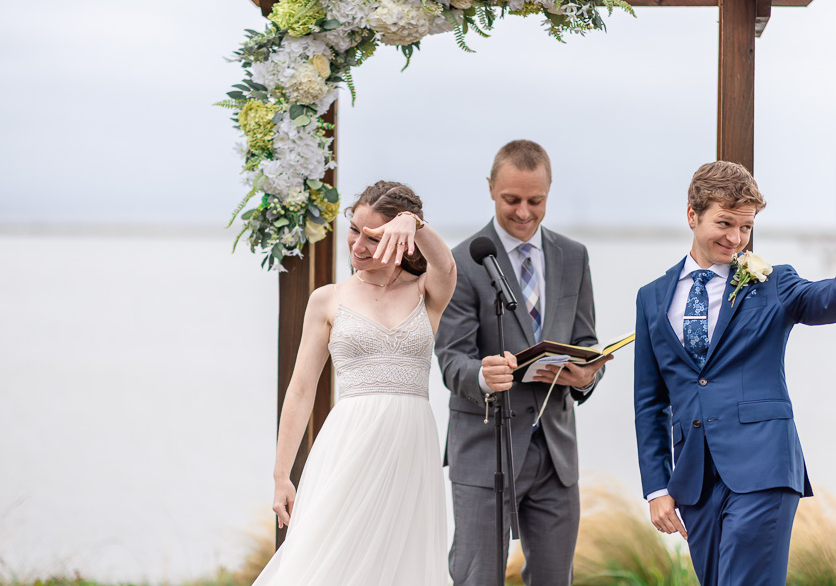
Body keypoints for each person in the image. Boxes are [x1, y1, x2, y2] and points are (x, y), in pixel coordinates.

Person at [634, 161, 836, 585]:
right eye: (725, 223)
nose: (735, 238)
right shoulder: (652, 297)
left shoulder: (773, 284)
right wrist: (657, 488)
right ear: (692, 216)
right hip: (694, 480)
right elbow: (650, 401)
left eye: (745, 227)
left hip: (763, 467)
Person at [252, 180, 457, 586]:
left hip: (411, 450)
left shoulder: (426, 291)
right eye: (354, 231)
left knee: (401, 567)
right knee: (324, 562)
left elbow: (446, 264)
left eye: (374, 236)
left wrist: (415, 224)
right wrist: (281, 476)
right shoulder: (327, 299)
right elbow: (301, 390)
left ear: (403, 241)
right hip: (349, 445)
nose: (358, 245)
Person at [436, 140, 611, 586]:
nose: (524, 212)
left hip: (555, 452)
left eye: (536, 201)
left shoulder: (574, 257)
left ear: (549, 193)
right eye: (511, 200)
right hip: (483, 448)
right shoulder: (460, 262)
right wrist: (482, 374)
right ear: (491, 188)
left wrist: (587, 375)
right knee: (477, 579)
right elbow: (451, 357)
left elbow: (586, 339)